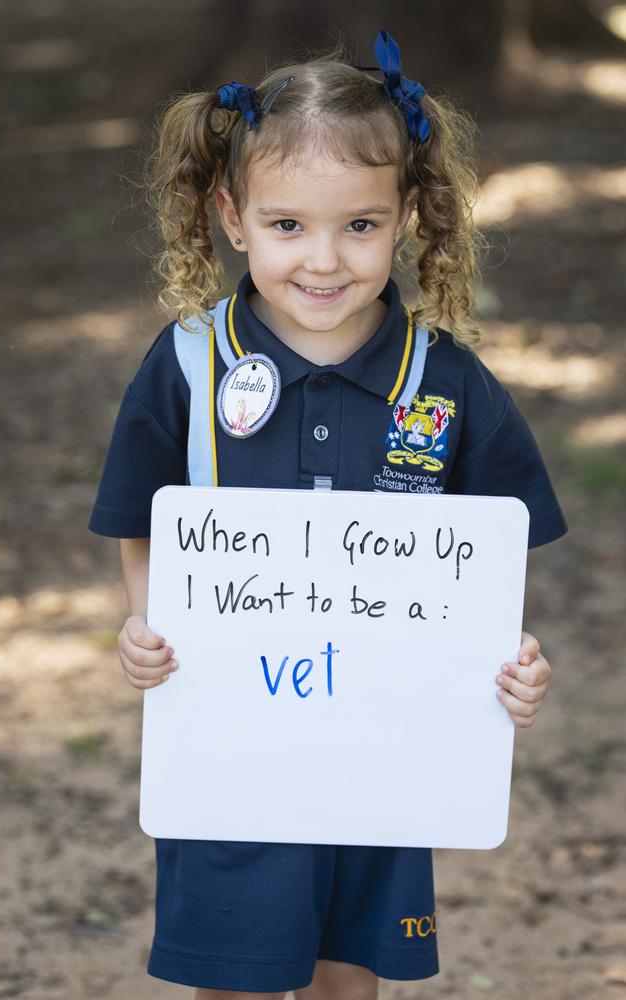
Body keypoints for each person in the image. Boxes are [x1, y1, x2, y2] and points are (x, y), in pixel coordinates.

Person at [88, 28, 567, 1000]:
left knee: (347, 982)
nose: (322, 259)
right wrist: (147, 621)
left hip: (382, 754)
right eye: (286, 226)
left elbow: (488, 552)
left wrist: (507, 661)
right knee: (230, 979)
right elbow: (142, 514)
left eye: (357, 224)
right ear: (231, 218)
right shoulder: (186, 364)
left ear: (404, 218)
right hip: (227, 746)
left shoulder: (441, 380)